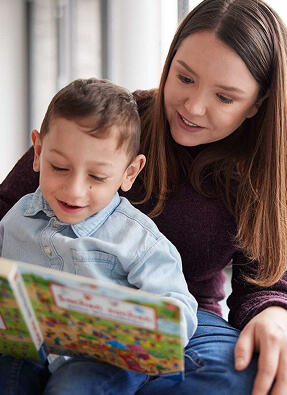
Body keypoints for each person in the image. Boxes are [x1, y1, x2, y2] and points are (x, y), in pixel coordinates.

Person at [0, 0, 287, 394]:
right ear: (169, 62)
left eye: (225, 98)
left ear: (257, 103)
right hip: (59, 308)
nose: (194, 106)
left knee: (263, 378)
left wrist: (276, 314)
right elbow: (9, 205)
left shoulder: (258, 175)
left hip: (181, 320)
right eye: (184, 78)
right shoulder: (112, 125)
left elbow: (266, 284)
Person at [0, 78, 198, 394]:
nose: (74, 190)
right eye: (59, 167)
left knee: (72, 388)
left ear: (129, 173)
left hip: (102, 360)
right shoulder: (16, 217)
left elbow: (179, 311)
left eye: (97, 177)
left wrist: (133, 326)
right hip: (26, 348)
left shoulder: (138, 240)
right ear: (38, 152)